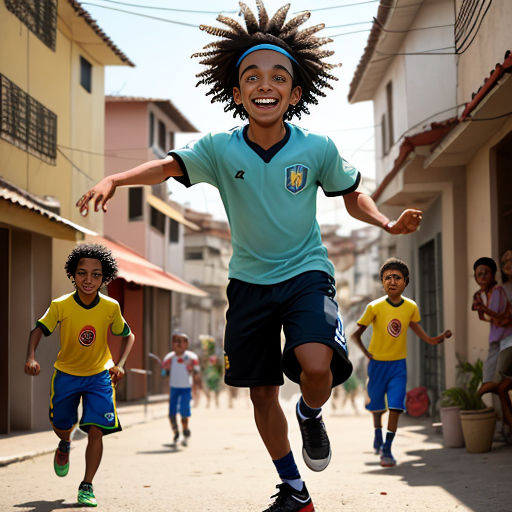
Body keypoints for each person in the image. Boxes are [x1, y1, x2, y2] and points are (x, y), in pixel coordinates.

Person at [76, 3, 422, 510]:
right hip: (248, 284)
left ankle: (309, 413)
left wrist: (387, 223)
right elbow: (167, 168)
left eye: (279, 77)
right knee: (260, 394)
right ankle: (295, 489)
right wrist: (116, 178)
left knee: (317, 366)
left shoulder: (317, 147)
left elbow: (351, 194)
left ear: (295, 93)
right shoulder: (220, 149)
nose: (266, 84)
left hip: (306, 274)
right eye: (253, 77)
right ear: (237, 93)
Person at [24, 243, 135, 507]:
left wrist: (119, 364)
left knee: (96, 430)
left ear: (104, 277)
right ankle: (64, 444)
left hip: (99, 375)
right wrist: (31, 356)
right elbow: (37, 330)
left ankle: (87, 485)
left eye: (96, 274)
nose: (88, 279)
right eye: (82, 273)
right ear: (73, 275)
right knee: (62, 426)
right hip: (67, 374)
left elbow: (128, 335)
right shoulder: (60, 305)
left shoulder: (110, 307)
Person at [351, 258, 451, 468]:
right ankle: (377, 434)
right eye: (387, 278)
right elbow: (355, 335)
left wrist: (433, 339)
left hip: (398, 365)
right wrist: (366, 353)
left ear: (406, 281)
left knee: (396, 406)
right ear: (382, 282)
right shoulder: (374, 307)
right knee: (377, 406)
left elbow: (415, 327)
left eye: (397, 277)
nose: (392, 281)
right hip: (377, 365)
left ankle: (387, 448)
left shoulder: (410, 307)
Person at [472, 256, 512, 427]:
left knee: (494, 385)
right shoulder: (479, 296)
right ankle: (508, 423)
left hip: (508, 340)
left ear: (493, 274)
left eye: (485, 273)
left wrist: (485, 310)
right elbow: (488, 317)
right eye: (478, 274)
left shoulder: (498, 292)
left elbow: (498, 318)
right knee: (494, 385)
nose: (481, 277)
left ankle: (473, 406)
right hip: (495, 342)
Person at [162, 332, 201, 447]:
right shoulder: (169, 358)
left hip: (186, 388)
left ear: (187, 344)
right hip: (174, 388)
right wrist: (166, 370)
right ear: (172, 344)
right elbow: (164, 373)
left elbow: (197, 373)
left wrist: (196, 387)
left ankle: (185, 429)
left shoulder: (192, 358)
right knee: (171, 413)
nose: (179, 344)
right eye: (176, 341)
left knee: (184, 411)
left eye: (182, 341)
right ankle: (176, 433)